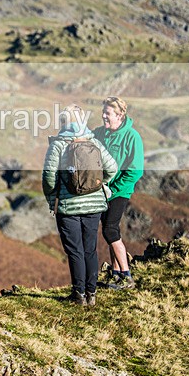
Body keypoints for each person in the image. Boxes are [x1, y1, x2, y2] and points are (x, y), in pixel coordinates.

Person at [43, 104, 118, 306]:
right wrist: (98, 184)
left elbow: (49, 176)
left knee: (75, 250)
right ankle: (91, 294)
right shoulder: (94, 142)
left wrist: (52, 196)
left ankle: (79, 295)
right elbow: (112, 168)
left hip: (68, 207)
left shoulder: (58, 145)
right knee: (90, 249)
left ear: (63, 122)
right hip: (94, 205)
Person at [93, 96, 144, 289]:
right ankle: (115, 274)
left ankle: (126, 276)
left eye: (108, 113)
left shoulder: (132, 137)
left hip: (119, 191)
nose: (104, 116)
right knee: (110, 231)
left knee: (110, 229)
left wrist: (113, 189)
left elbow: (135, 171)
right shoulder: (99, 133)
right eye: (103, 112)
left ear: (120, 115)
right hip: (102, 190)